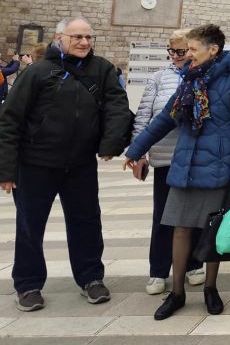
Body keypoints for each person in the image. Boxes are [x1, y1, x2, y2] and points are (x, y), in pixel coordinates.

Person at [0, 16, 132, 313]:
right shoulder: (37, 72)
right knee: (30, 226)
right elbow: (10, 121)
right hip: (35, 164)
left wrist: (110, 144)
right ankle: (28, 284)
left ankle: (91, 278)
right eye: (77, 37)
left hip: (80, 165)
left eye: (88, 37)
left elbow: (117, 107)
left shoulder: (102, 70)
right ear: (60, 38)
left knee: (87, 223)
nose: (84, 42)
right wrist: (6, 170)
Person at [125, 24, 230, 320]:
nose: (188, 56)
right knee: (180, 227)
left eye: (193, 50)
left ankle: (210, 288)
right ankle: (177, 293)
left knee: (213, 229)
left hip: (218, 166)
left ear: (213, 50)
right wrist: (135, 150)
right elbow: (165, 118)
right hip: (185, 164)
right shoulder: (189, 79)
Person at [131, 29, 204, 296]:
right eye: (171, 51)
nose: (175, 56)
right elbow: (144, 116)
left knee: (194, 214)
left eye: (181, 51)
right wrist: (138, 153)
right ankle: (158, 270)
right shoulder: (158, 78)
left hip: (195, 158)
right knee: (163, 216)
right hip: (164, 158)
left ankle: (193, 264)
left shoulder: (204, 76)